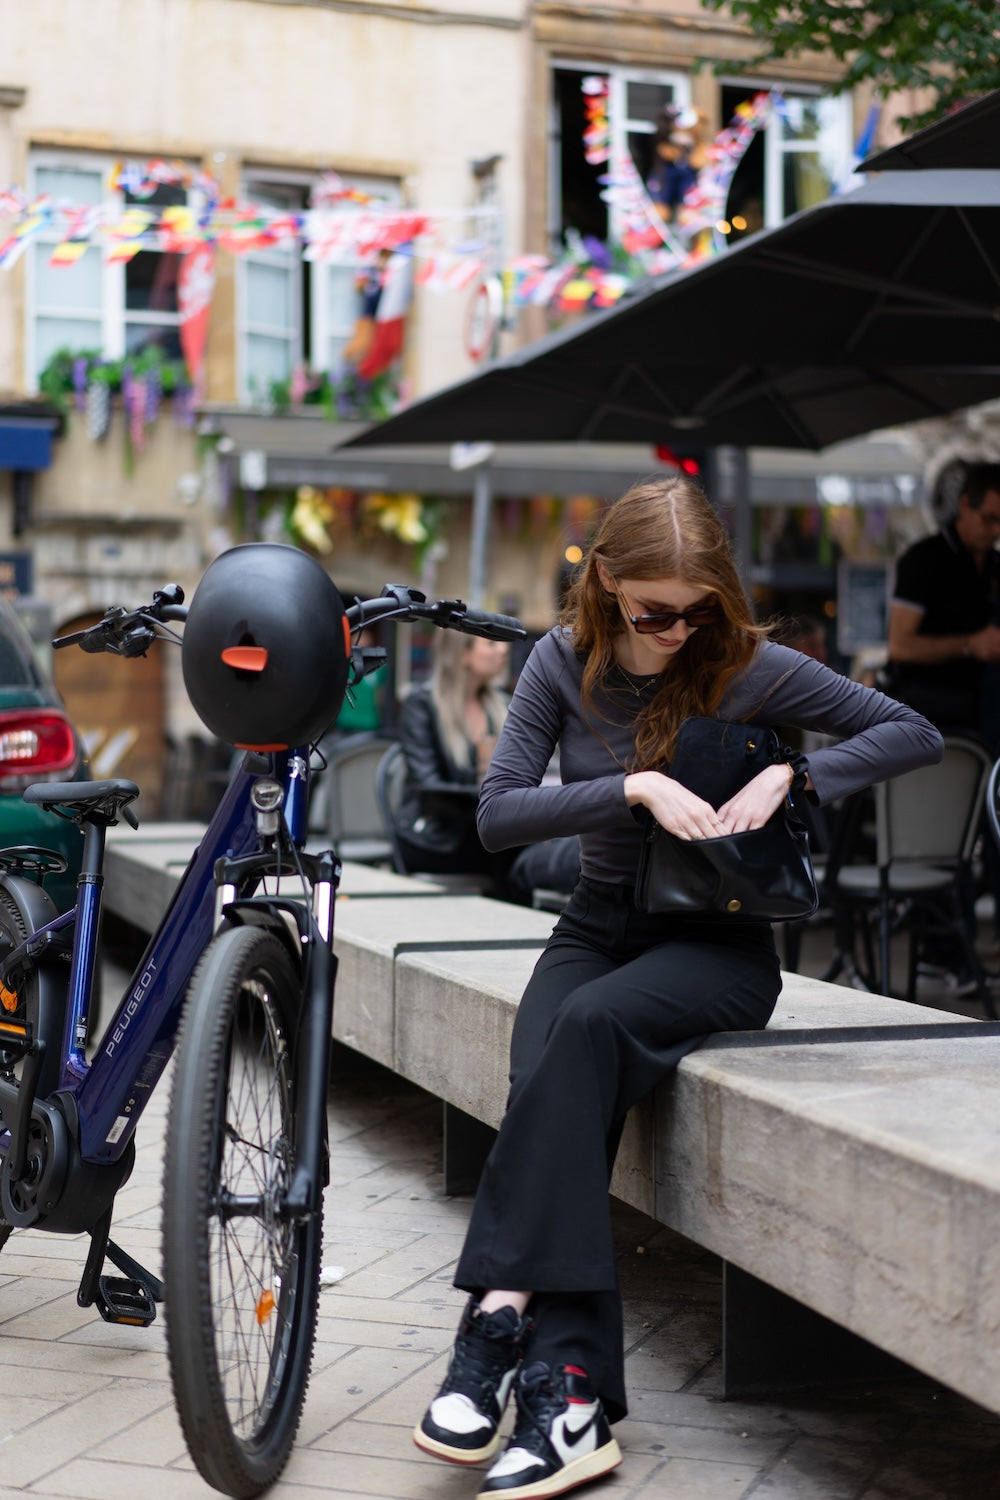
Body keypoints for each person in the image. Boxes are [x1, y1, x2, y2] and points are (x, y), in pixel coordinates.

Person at [412, 475, 942, 1500]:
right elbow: (499, 815)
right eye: (655, 611)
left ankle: (492, 1319)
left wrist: (794, 775)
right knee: (549, 1070)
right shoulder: (557, 665)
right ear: (604, 582)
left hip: (717, 947)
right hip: (593, 929)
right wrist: (632, 787)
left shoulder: (747, 664)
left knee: (586, 1029)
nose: (676, 629)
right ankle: (569, 1398)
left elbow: (909, 733)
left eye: (697, 609)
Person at [886, 461, 1000, 738]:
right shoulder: (923, 560)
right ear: (964, 505)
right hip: (927, 717)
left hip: (986, 714)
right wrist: (969, 645)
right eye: (989, 519)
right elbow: (900, 646)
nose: (996, 531)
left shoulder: (996, 565)